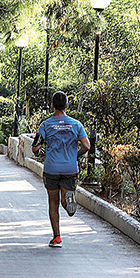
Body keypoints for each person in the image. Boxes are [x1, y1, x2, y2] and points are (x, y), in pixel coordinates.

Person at [32, 91, 90, 248]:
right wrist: (75, 156)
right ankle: (68, 199)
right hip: (70, 168)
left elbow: (35, 147)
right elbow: (87, 145)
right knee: (65, 197)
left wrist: (41, 153)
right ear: (67, 105)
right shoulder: (76, 124)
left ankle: (57, 238)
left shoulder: (45, 125)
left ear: (52, 105)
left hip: (51, 168)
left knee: (53, 202)